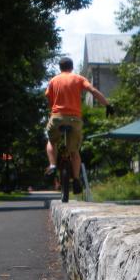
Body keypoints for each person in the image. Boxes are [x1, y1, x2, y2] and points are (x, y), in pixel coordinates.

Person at [44, 57, 114, 193]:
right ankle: (76, 180)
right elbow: (92, 90)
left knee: (52, 141)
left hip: (57, 117)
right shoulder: (79, 78)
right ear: (72, 67)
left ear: (60, 68)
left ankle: (52, 165)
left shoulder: (53, 80)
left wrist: (52, 112)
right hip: (75, 119)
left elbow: (48, 97)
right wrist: (107, 105)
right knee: (74, 151)